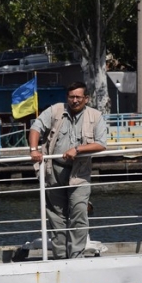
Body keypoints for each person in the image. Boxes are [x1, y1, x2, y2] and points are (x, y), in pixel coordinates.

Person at [28, 82, 108, 259]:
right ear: (67, 98)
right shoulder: (56, 111)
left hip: (80, 173)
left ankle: (76, 256)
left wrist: (78, 149)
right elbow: (36, 127)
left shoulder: (95, 116)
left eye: (79, 97)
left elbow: (101, 144)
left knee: (79, 212)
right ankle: (60, 256)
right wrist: (34, 150)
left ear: (86, 98)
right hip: (54, 171)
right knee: (56, 217)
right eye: (71, 96)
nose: (75, 100)